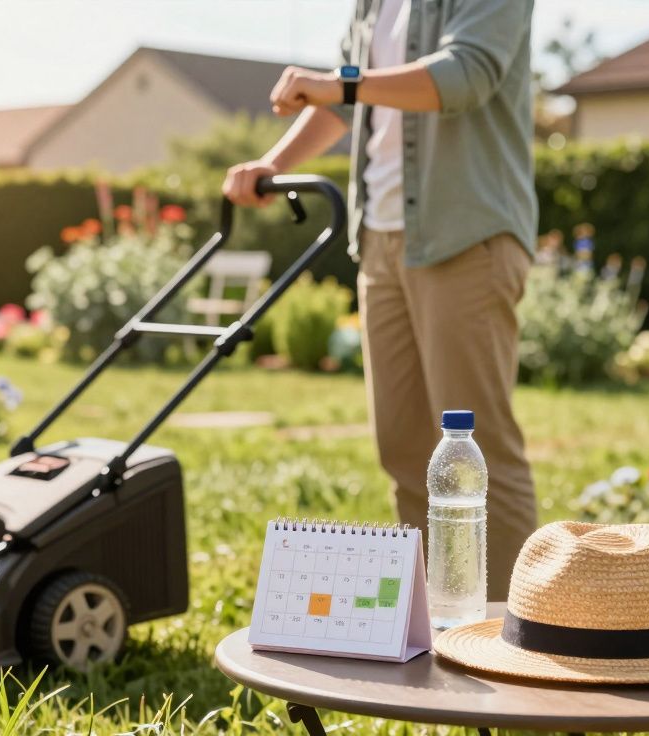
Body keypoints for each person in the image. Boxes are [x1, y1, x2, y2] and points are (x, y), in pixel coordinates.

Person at [222, 0, 537, 599]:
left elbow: (465, 75)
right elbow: (346, 104)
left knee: (478, 450)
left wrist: (337, 81)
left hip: (463, 236)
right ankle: (436, 623)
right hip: (381, 240)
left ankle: (516, 636)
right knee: (406, 448)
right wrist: (273, 163)